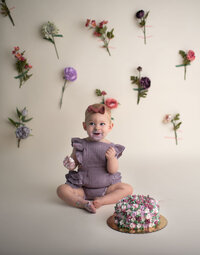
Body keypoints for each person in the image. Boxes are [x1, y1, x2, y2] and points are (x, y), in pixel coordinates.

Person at [57, 103, 133, 213]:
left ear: (110, 126)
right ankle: (82, 203)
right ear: (84, 126)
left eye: (102, 124)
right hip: (83, 188)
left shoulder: (111, 148)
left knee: (128, 189)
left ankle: (102, 201)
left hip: (106, 188)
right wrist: (71, 164)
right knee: (61, 190)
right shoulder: (80, 144)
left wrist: (111, 158)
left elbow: (113, 170)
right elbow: (74, 164)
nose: (97, 127)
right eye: (92, 123)